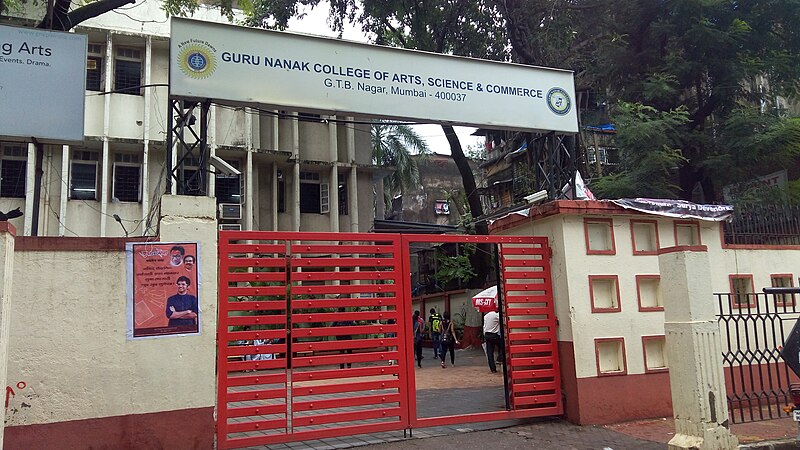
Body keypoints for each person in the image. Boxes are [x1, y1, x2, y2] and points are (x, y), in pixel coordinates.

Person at [483, 309, 503, 373]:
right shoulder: (496, 315)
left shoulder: (485, 316)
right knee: (502, 346)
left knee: (490, 353)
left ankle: (493, 369)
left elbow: (484, 326)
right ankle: (500, 358)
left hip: (487, 335)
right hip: (494, 335)